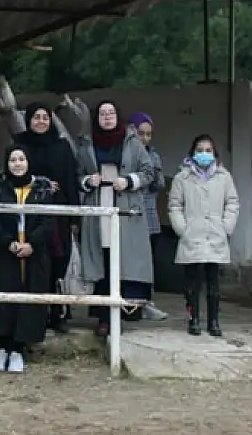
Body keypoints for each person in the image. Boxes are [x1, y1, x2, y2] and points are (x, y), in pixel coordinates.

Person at [75, 101, 155, 337]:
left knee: (124, 260)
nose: (107, 117)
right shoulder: (86, 144)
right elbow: (77, 175)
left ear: (117, 116)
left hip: (125, 208)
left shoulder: (133, 142)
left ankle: (122, 315)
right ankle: (102, 318)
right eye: (102, 113)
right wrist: (89, 181)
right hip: (98, 207)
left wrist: (129, 180)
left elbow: (149, 172)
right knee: (102, 259)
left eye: (111, 113)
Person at [0, 144, 54, 373]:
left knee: (28, 299)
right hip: (5, 252)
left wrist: (32, 244)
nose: (17, 164)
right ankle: (1, 347)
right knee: (3, 298)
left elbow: (49, 221)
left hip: (33, 254)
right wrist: (8, 242)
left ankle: (18, 349)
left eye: (21, 159)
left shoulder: (42, 188)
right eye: (13, 159)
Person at [15, 102, 80, 333]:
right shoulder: (20, 144)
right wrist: (38, 184)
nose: (41, 121)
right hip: (29, 213)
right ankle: (34, 315)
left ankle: (57, 313)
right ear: (28, 120)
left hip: (57, 213)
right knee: (33, 264)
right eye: (36, 117)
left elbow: (70, 180)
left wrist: (75, 217)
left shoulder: (62, 146)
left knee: (57, 263)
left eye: (45, 117)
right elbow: (13, 173)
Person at [167, 135, 240, 337]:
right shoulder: (182, 178)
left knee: (213, 282)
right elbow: (174, 205)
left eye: (208, 150)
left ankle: (214, 321)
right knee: (192, 282)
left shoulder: (224, 177)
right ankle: (194, 320)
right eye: (200, 150)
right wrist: (183, 229)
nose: (204, 154)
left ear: (214, 154)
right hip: (193, 235)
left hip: (215, 235)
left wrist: (226, 227)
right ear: (193, 153)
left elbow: (232, 203)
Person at [128, 111, 169, 321]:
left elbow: (159, 184)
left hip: (149, 216)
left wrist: (152, 170)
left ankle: (148, 302)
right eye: (140, 133)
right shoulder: (126, 154)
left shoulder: (153, 155)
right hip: (130, 215)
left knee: (149, 262)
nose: (144, 138)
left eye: (148, 134)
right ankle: (130, 304)